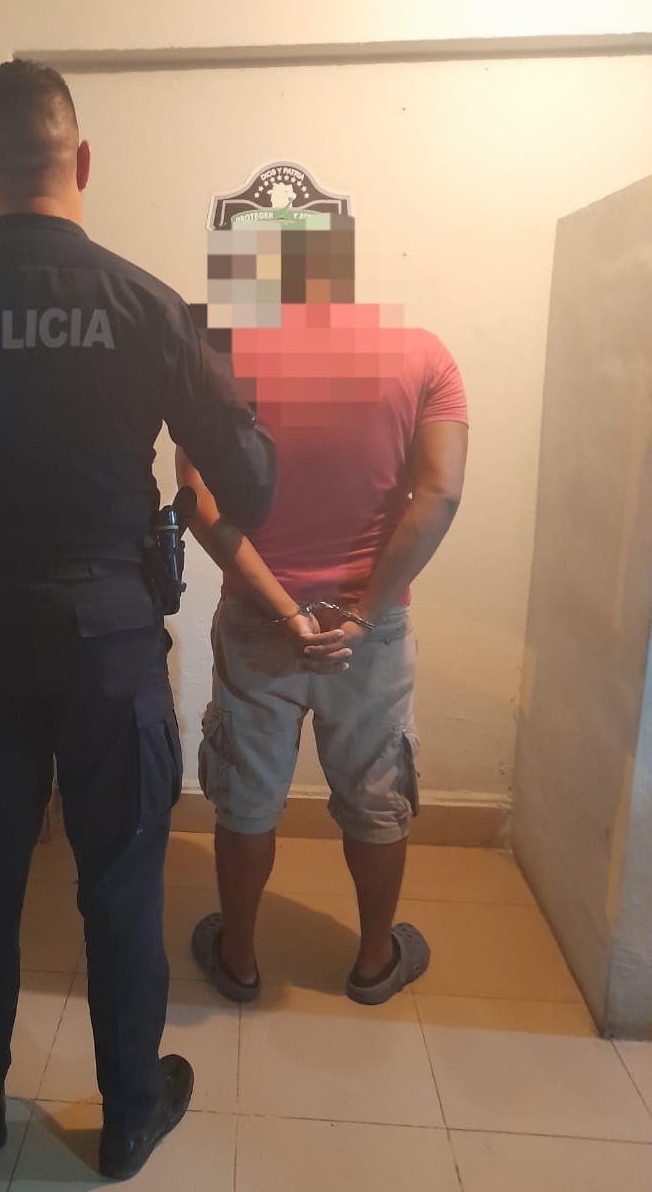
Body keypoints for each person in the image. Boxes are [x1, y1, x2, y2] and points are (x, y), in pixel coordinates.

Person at [0, 60, 276, 1179]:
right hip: (112, 634)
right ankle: (126, 1114)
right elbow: (253, 482)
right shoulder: (150, 307)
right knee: (120, 880)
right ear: (81, 161)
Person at [178, 198, 467, 1007]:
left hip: (258, 620)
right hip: (367, 630)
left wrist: (283, 610)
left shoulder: (216, 361)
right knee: (375, 796)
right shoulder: (423, 355)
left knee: (247, 797)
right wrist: (363, 612)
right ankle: (374, 962)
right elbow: (441, 493)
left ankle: (238, 960)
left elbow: (197, 502)